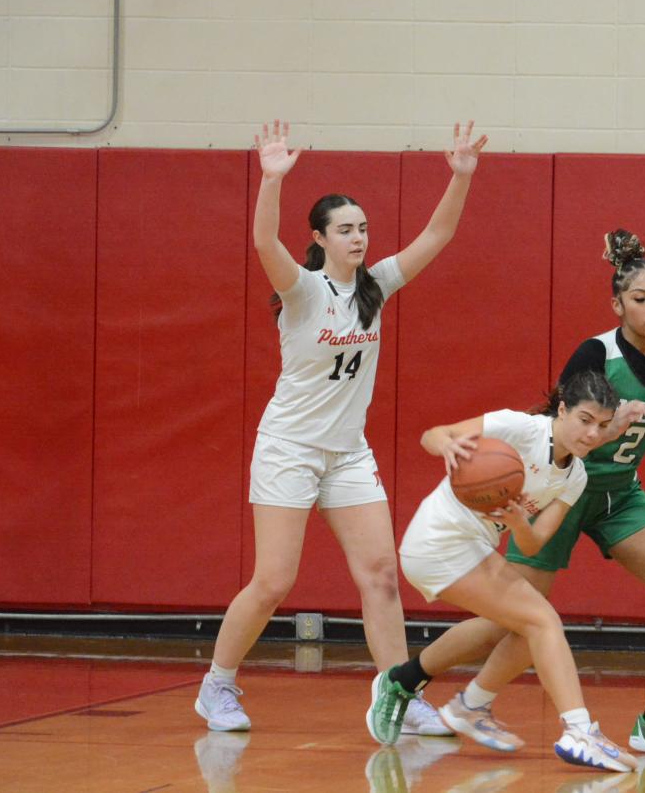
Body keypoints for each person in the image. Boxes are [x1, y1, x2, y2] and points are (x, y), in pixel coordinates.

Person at [414, 229, 645, 758]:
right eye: (641, 299)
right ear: (617, 305)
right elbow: (560, 430)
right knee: (513, 616)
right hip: (562, 487)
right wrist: (607, 432)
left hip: (621, 496)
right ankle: (413, 681)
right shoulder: (595, 353)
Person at [194, 120, 487, 737]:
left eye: (363, 228)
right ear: (321, 239)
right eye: (346, 229)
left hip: (348, 453)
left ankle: (398, 696)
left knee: (380, 574)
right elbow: (263, 240)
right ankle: (217, 684)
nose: (359, 237)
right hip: (289, 448)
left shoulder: (376, 285)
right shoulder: (302, 290)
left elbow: (439, 233)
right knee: (273, 581)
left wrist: (460, 176)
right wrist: (271, 180)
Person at [370, 370, 638, 773]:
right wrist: (447, 444)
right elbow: (434, 434)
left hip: (474, 545)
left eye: (602, 426)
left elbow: (532, 544)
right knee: (543, 621)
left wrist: (516, 522)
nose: (592, 434)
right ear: (562, 409)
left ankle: (409, 684)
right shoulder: (519, 428)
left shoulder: (576, 477)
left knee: (523, 627)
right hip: (438, 540)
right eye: (584, 420)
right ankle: (578, 731)